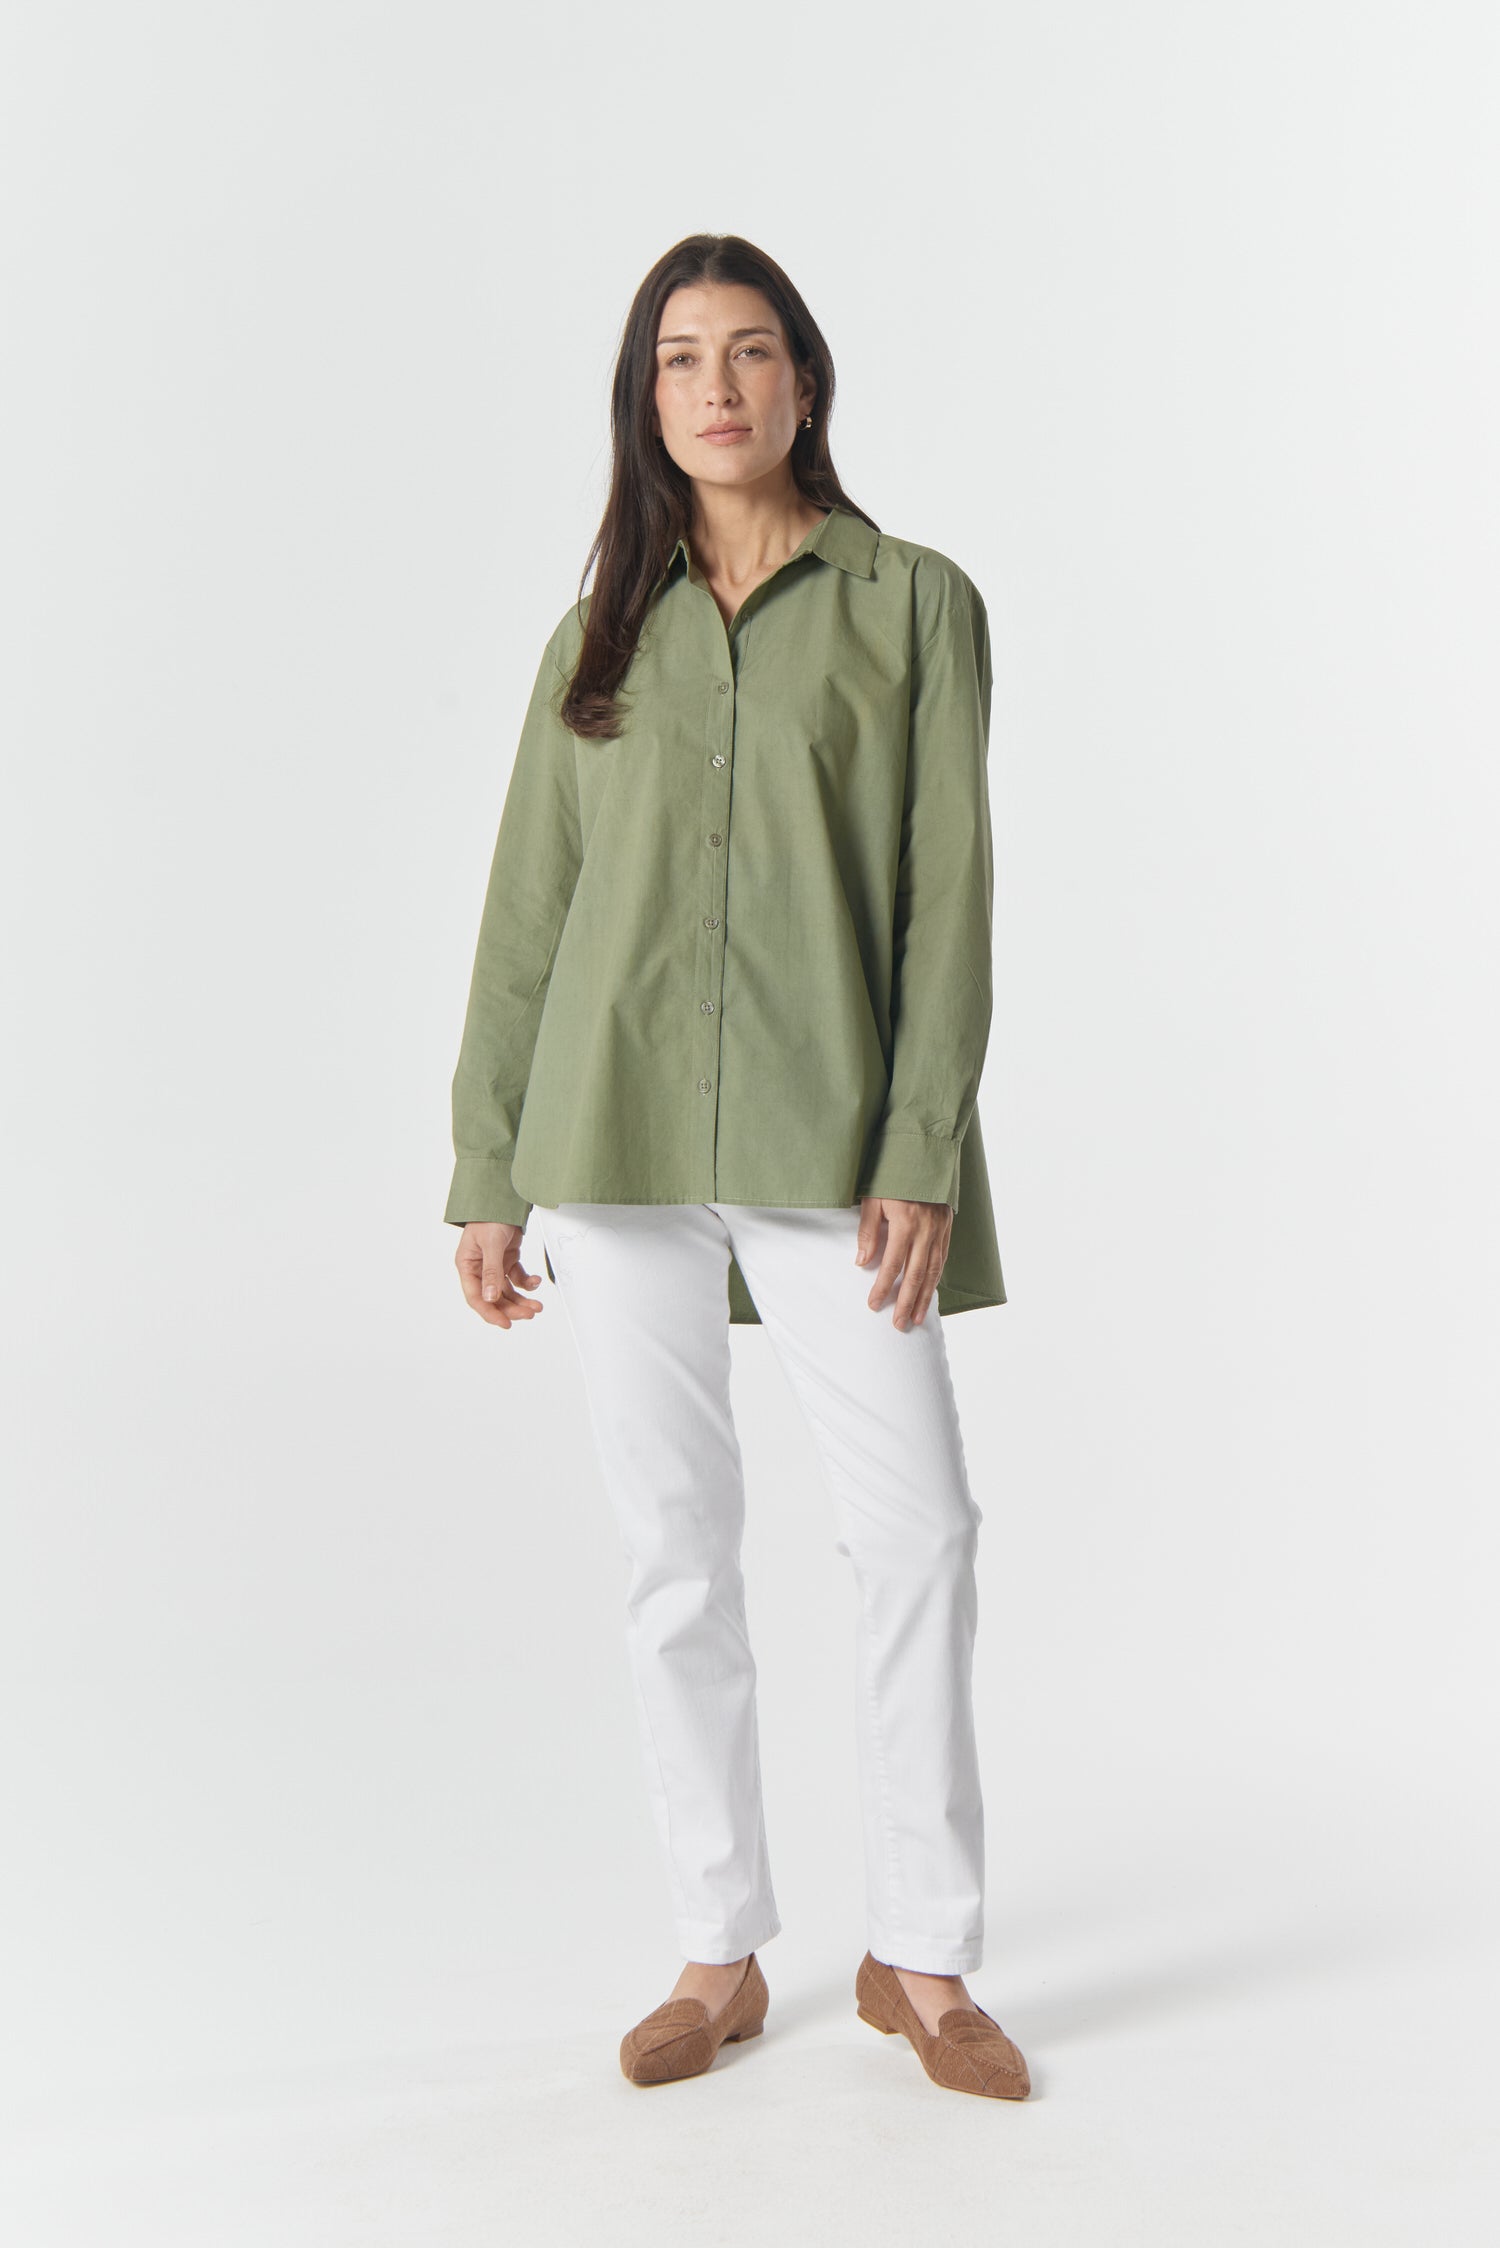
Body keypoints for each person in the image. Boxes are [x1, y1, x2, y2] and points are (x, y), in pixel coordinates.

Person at [443, 232, 1029, 2102]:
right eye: (682, 357)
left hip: (833, 1137)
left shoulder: (914, 604)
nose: (717, 385)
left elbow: (949, 896)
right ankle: (720, 1947)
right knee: (675, 1550)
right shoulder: (596, 635)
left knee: (918, 1531)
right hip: (609, 1137)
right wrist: (486, 1164)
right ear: (648, 399)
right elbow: (529, 910)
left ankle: (921, 1957)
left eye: (751, 350)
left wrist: (919, 1141)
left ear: (805, 382)